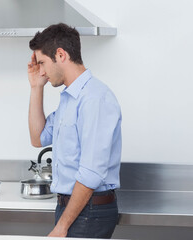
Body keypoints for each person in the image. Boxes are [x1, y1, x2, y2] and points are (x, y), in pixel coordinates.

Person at [27, 23, 122, 238]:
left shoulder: (94, 98)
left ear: (60, 55)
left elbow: (91, 173)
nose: (41, 71)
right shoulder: (69, 99)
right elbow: (38, 138)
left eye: (42, 62)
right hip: (73, 208)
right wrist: (36, 87)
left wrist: (62, 226)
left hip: (89, 211)